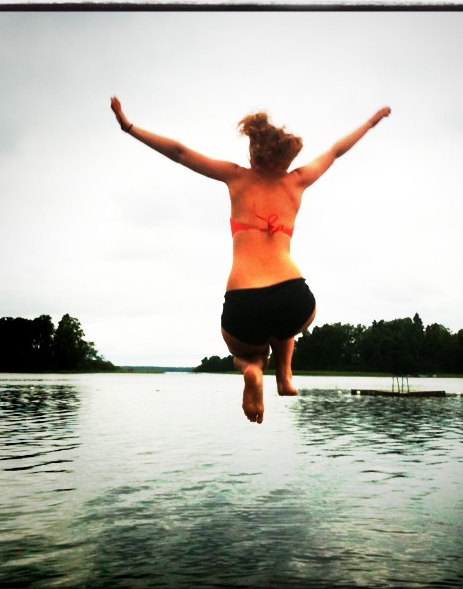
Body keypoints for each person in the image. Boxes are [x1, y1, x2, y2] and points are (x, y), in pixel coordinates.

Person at [110, 97, 391, 424]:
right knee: (286, 325)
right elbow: (335, 152)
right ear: (285, 157)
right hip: (293, 297)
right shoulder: (297, 180)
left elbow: (180, 153)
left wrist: (129, 127)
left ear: (254, 153)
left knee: (244, 356)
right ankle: (284, 376)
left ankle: (254, 370)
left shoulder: (236, 177)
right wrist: (370, 124)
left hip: (244, 302)